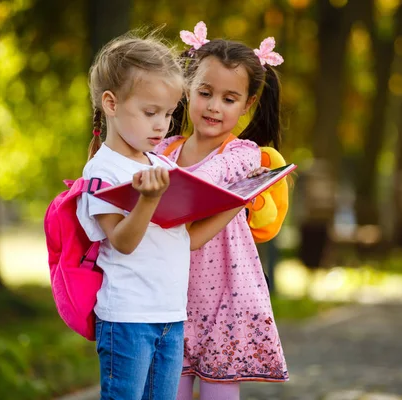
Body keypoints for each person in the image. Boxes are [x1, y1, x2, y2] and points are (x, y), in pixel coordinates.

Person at [76, 32, 246, 400]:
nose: (162, 126)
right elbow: (122, 242)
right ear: (111, 103)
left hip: (170, 313)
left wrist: (238, 202)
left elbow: (189, 239)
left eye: (169, 114)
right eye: (150, 113)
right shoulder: (101, 171)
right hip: (127, 318)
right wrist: (148, 200)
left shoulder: (160, 163)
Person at [155, 22, 289, 400]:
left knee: (219, 394)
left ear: (247, 105)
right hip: (170, 299)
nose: (214, 106)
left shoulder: (243, 155)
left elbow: (212, 178)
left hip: (226, 300)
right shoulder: (163, 150)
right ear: (188, 90)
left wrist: (169, 178)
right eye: (205, 93)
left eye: (229, 99)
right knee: (169, 391)